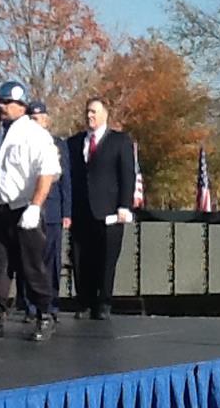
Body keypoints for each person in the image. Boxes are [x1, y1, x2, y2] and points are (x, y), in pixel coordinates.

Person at [0, 81, 61, 343]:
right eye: (0, 103)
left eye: (8, 103)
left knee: (32, 267)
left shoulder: (36, 134)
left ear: (22, 106)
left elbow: (47, 172)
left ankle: (44, 314)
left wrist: (35, 206)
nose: (2, 108)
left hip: (24, 210)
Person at [67, 97, 135, 320]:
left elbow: (127, 175)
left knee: (106, 259)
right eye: (87, 112)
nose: (89, 116)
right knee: (80, 258)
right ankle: (84, 301)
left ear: (106, 113)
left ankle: (103, 302)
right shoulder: (74, 142)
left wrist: (124, 205)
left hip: (110, 212)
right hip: (81, 211)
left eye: (94, 112)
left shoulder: (120, 141)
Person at [14, 101, 71, 322]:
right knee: (28, 259)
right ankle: (29, 305)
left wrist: (67, 212)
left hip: (54, 209)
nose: (35, 122)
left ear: (46, 120)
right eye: (31, 118)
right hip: (28, 207)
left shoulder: (57, 144)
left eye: (39, 118)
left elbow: (66, 180)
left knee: (51, 261)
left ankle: (51, 304)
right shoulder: (20, 142)